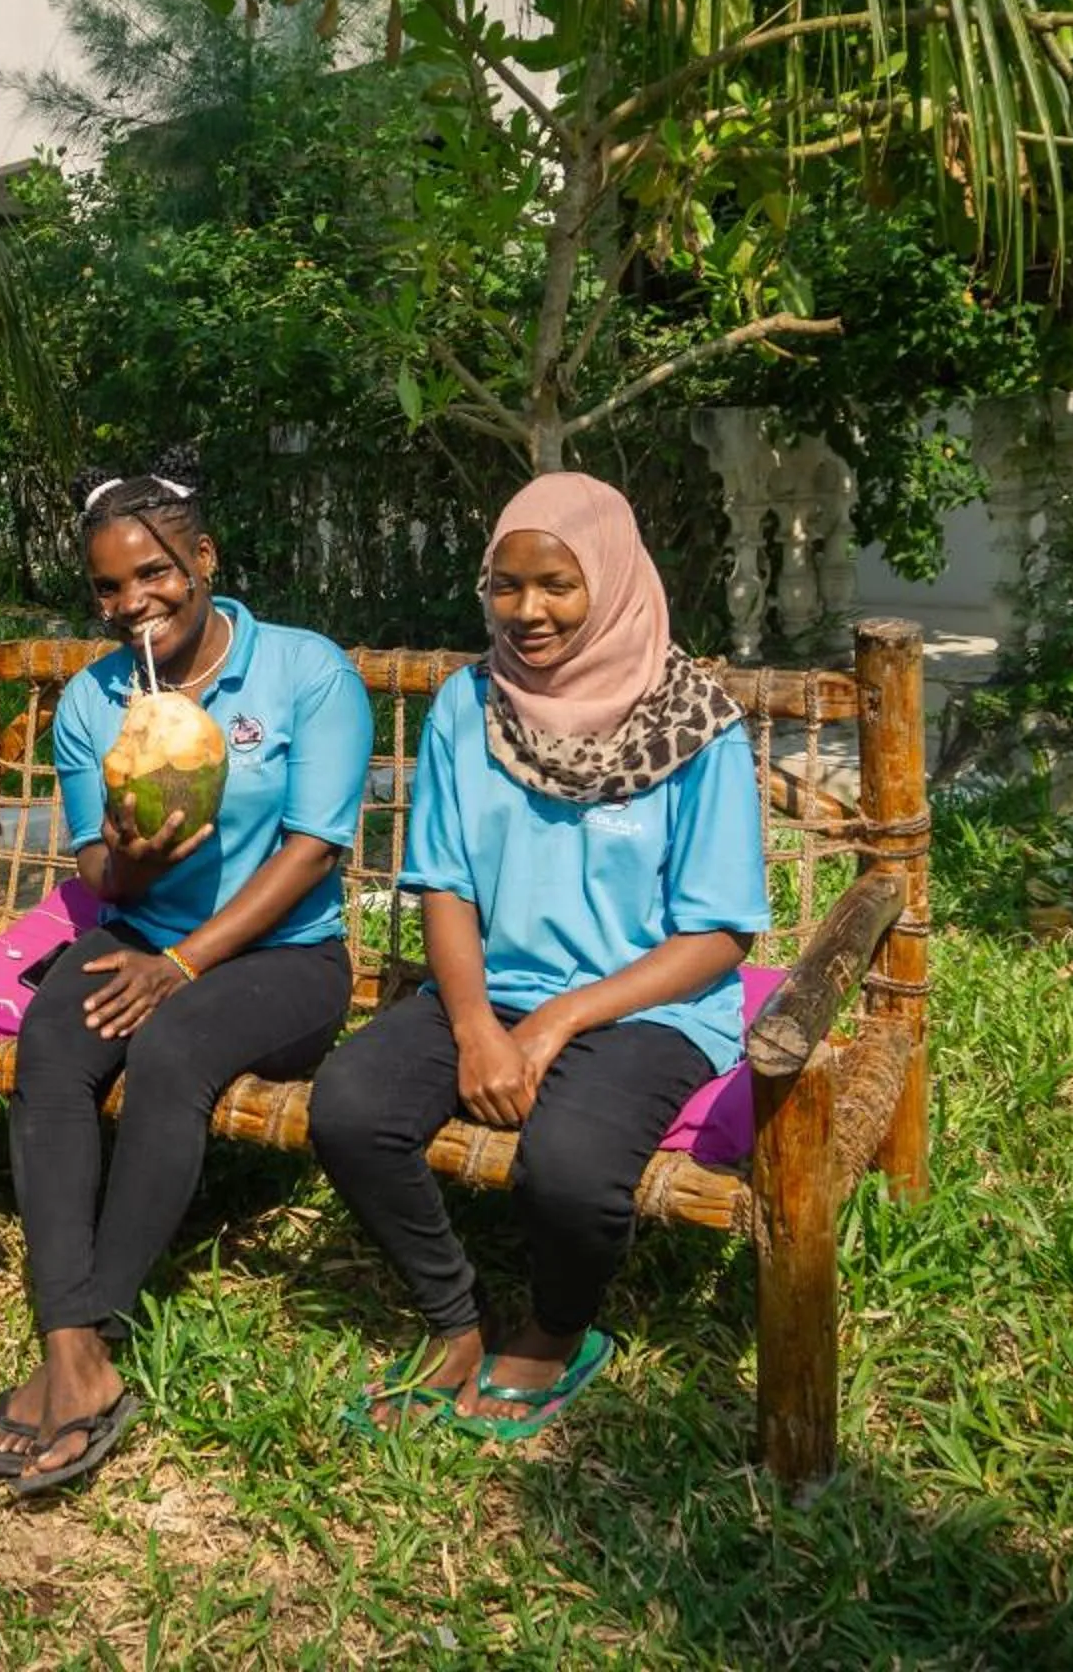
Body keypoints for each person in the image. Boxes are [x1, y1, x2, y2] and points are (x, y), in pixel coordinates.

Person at [309, 471, 771, 1441]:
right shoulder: (468, 707)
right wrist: (477, 1025)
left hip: (646, 1006)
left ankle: (557, 1331)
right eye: (505, 585)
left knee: (564, 1164)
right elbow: (446, 882)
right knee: (349, 1106)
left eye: (556, 583)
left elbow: (720, 931)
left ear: (609, 578)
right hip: (492, 986)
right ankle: (452, 1318)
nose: (528, 610)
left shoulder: (697, 725)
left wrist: (557, 1021)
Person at [0, 455, 375, 1494]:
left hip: (285, 957)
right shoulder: (96, 701)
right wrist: (130, 861)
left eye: (152, 573)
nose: (131, 603)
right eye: (107, 587)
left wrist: (181, 963)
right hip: (136, 932)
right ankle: (76, 1350)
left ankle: (89, 1326)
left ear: (203, 558)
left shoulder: (304, 672)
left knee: (174, 1044)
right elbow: (95, 867)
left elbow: (311, 850)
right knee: (52, 1041)